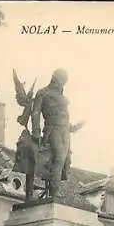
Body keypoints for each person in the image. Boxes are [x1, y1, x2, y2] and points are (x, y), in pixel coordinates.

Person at [31, 69, 85, 197]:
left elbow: (66, 120)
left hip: (65, 131)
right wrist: (36, 132)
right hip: (52, 129)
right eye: (61, 82)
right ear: (54, 79)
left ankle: (53, 191)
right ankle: (54, 193)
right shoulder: (43, 93)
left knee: (62, 161)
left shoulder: (63, 98)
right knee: (59, 157)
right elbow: (36, 113)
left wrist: (78, 126)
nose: (62, 85)